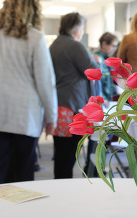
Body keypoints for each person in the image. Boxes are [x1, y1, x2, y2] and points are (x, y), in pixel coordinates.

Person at [0, 0, 57, 186]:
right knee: (22, 170)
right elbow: (45, 82)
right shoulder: (35, 37)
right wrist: (51, 117)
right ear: (33, 9)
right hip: (25, 114)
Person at [50, 12, 99, 179]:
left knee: (61, 155)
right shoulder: (74, 46)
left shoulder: (54, 45)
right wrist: (96, 60)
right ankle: (64, 192)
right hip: (72, 107)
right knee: (69, 155)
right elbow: (92, 71)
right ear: (76, 28)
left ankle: (59, 186)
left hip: (58, 105)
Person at [96, 32, 118, 102]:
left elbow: (107, 84)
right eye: (113, 46)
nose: (115, 49)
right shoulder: (98, 59)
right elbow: (97, 84)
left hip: (107, 101)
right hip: (101, 101)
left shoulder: (108, 60)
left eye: (116, 46)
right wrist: (102, 98)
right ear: (104, 44)